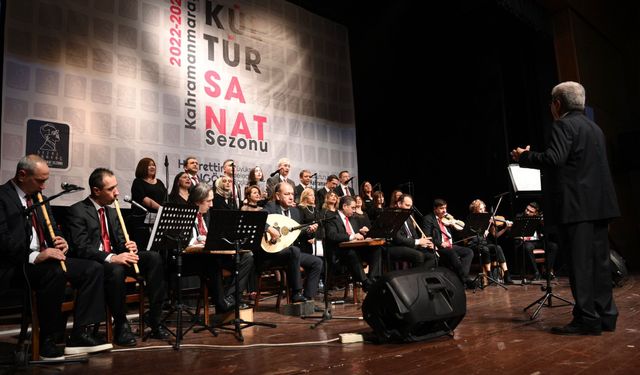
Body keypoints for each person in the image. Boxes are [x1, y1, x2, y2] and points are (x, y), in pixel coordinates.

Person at [512, 81, 620, 336]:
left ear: (557, 104)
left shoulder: (563, 124)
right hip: (600, 207)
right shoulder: (595, 128)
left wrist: (524, 157)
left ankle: (587, 320)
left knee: (580, 266)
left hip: (576, 209)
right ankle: (606, 316)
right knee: (599, 265)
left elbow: (554, 159)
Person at [0, 155, 111, 358]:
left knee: (93, 268)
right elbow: (3, 241)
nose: (44, 187)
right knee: (53, 273)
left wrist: (61, 241)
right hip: (18, 263)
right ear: (22, 175)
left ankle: (79, 334)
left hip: (46, 257)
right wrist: (35, 256)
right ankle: (48, 340)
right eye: (40, 180)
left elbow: (52, 229)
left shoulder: (39, 198)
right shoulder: (2, 197)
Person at [67, 168, 170, 347]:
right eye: (111, 188)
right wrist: (111, 257)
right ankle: (121, 324)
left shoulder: (112, 211)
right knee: (116, 270)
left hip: (116, 258)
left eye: (116, 187)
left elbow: (121, 241)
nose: (117, 192)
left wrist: (129, 246)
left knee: (153, 258)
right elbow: (81, 248)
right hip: (96, 263)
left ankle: (154, 318)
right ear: (96, 190)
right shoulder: (78, 211)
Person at [186, 183, 253, 312]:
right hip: (193, 258)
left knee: (246, 257)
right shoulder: (186, 215)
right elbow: (187, 243)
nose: (211, 205)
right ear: (198, 201)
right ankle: (221, 303)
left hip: (212, 253)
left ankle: (231, 298)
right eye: (208, 201)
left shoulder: (207, 214)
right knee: (212, 261)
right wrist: (201, 241)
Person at [261, 183, 323, 302]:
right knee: (294, 250)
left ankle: (308, 298)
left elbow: (296, 234)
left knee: (317, 262)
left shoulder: (295, 212)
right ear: (278, 196)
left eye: (292, 194)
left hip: (291, 253)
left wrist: (309, 231)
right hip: (273, 253)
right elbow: (258, 218)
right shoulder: (271, 207)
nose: (291, 197)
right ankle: (296, 292)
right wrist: (269, 229)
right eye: (286, 194)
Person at [325, 196, 382, 292]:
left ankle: (372, 280)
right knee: (351, 252)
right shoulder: (332, 217)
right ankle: (365, 282)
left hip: (357, 249)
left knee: (377, 249)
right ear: (344, 206)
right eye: (353, 207)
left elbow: (357, 233)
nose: (354, 210)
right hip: (340, 252)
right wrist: (352, 236)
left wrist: (364, 233)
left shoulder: (353, 218)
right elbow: (332, 236)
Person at [423, 199, 475, 288]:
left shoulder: (447, 218)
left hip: (450, 245)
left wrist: (453, 223)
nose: (444, 211)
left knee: (468, 252)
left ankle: (461, 279)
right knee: (451, 253)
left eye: (445, 208)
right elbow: (427, 236)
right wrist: (440, 243)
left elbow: (459, 230)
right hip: (439, 247)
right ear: (435, 209)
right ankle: (465, 279)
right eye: (441, 208)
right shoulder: (428, 219)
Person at [468, 199, 513, 285]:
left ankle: (507, 275)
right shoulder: (471, 219)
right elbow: (470, 238)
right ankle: (489, 276)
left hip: (484, 243)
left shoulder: (488, 219)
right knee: (485, 249)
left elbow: (496, 235)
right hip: (475, 244)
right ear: (475, 210)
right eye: (480, 209)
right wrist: (482, 233)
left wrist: (505, 228)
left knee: (498, 247)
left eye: (483, 209)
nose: (483, 211)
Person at [387, 194, 436, 269]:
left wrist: (423, 243)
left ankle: (419, 275)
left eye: (410, 206)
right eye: (407, 205)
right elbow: (398, 239)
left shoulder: (408, 217)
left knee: (433, 257)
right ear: (399, 204)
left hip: (409, 245)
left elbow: (414, 234)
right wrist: (417, 242)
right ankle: (414, 277)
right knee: (419, 256)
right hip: (396, 246)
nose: (409, 208)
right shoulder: (392, 216)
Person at [514, 202, 559, 281]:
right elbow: (514, 232)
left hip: (538, 241)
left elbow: (544, 232)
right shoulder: (519, 217)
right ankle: (536, 272)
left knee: (553, 246)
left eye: (530, 212)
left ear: (535, 213)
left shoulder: (538, 218)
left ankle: (547, 271)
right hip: (526, 242)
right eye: (527, 209)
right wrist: (521, 237)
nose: (527, 212)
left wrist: (542, 224)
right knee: (528, 247)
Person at [130, 157, 167, 248]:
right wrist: (161, 209)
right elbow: (145, 200)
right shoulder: (138, 182)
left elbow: (166, 198)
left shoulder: (160, 183)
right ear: (142, 168)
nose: (152, 167)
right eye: (149, 165)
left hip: (158, 220)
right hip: (142, 223)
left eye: (153, 165)